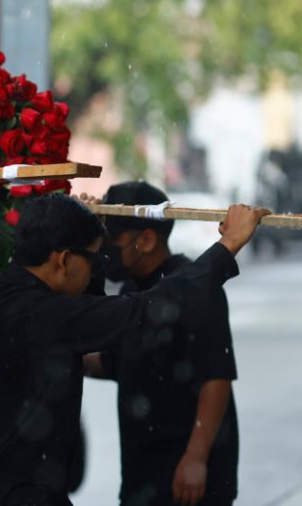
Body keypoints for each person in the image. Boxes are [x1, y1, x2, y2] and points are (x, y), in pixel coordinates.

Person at [0, 193, 268, 506]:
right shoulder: (44, 314)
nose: (100, 267)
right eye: (93, 258)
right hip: (7, 491)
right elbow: (147, 309)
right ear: (64, 259)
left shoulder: (0, 293)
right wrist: (228, 246)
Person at [83, 182, 239, 506]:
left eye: (112, 240)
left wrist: (196, 457)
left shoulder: (196, 286)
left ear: (147, 239)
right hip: (142, 468)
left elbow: (217, 377)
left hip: (191, 468)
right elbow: (113, 361)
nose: (106, 250)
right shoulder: (130, 288)